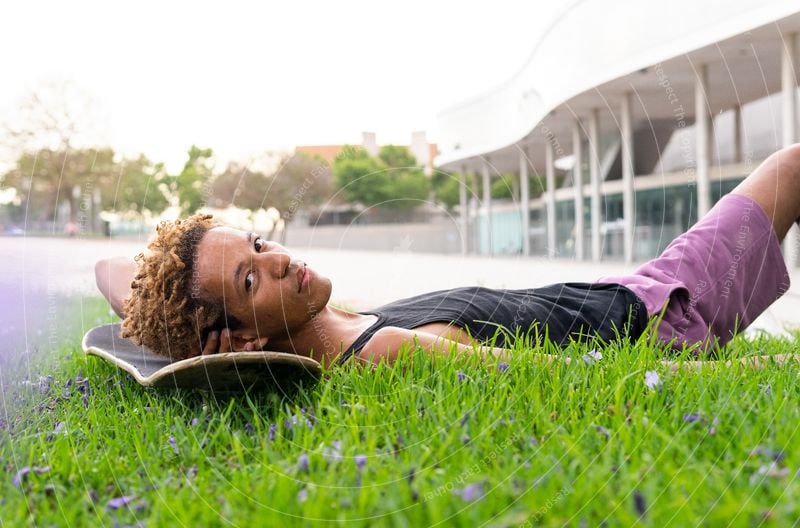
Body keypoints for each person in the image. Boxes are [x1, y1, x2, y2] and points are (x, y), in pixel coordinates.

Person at [95, 145, 800, 369]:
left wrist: (175, 327)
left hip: (625, 286)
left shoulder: (321, 322)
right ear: (246, 333)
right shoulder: (393, 348)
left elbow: (120, 279)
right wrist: (766, 366)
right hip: (662, 312)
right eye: (251, 277)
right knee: (793, 166)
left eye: (257, 243)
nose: (277, 258)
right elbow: (563, 378)